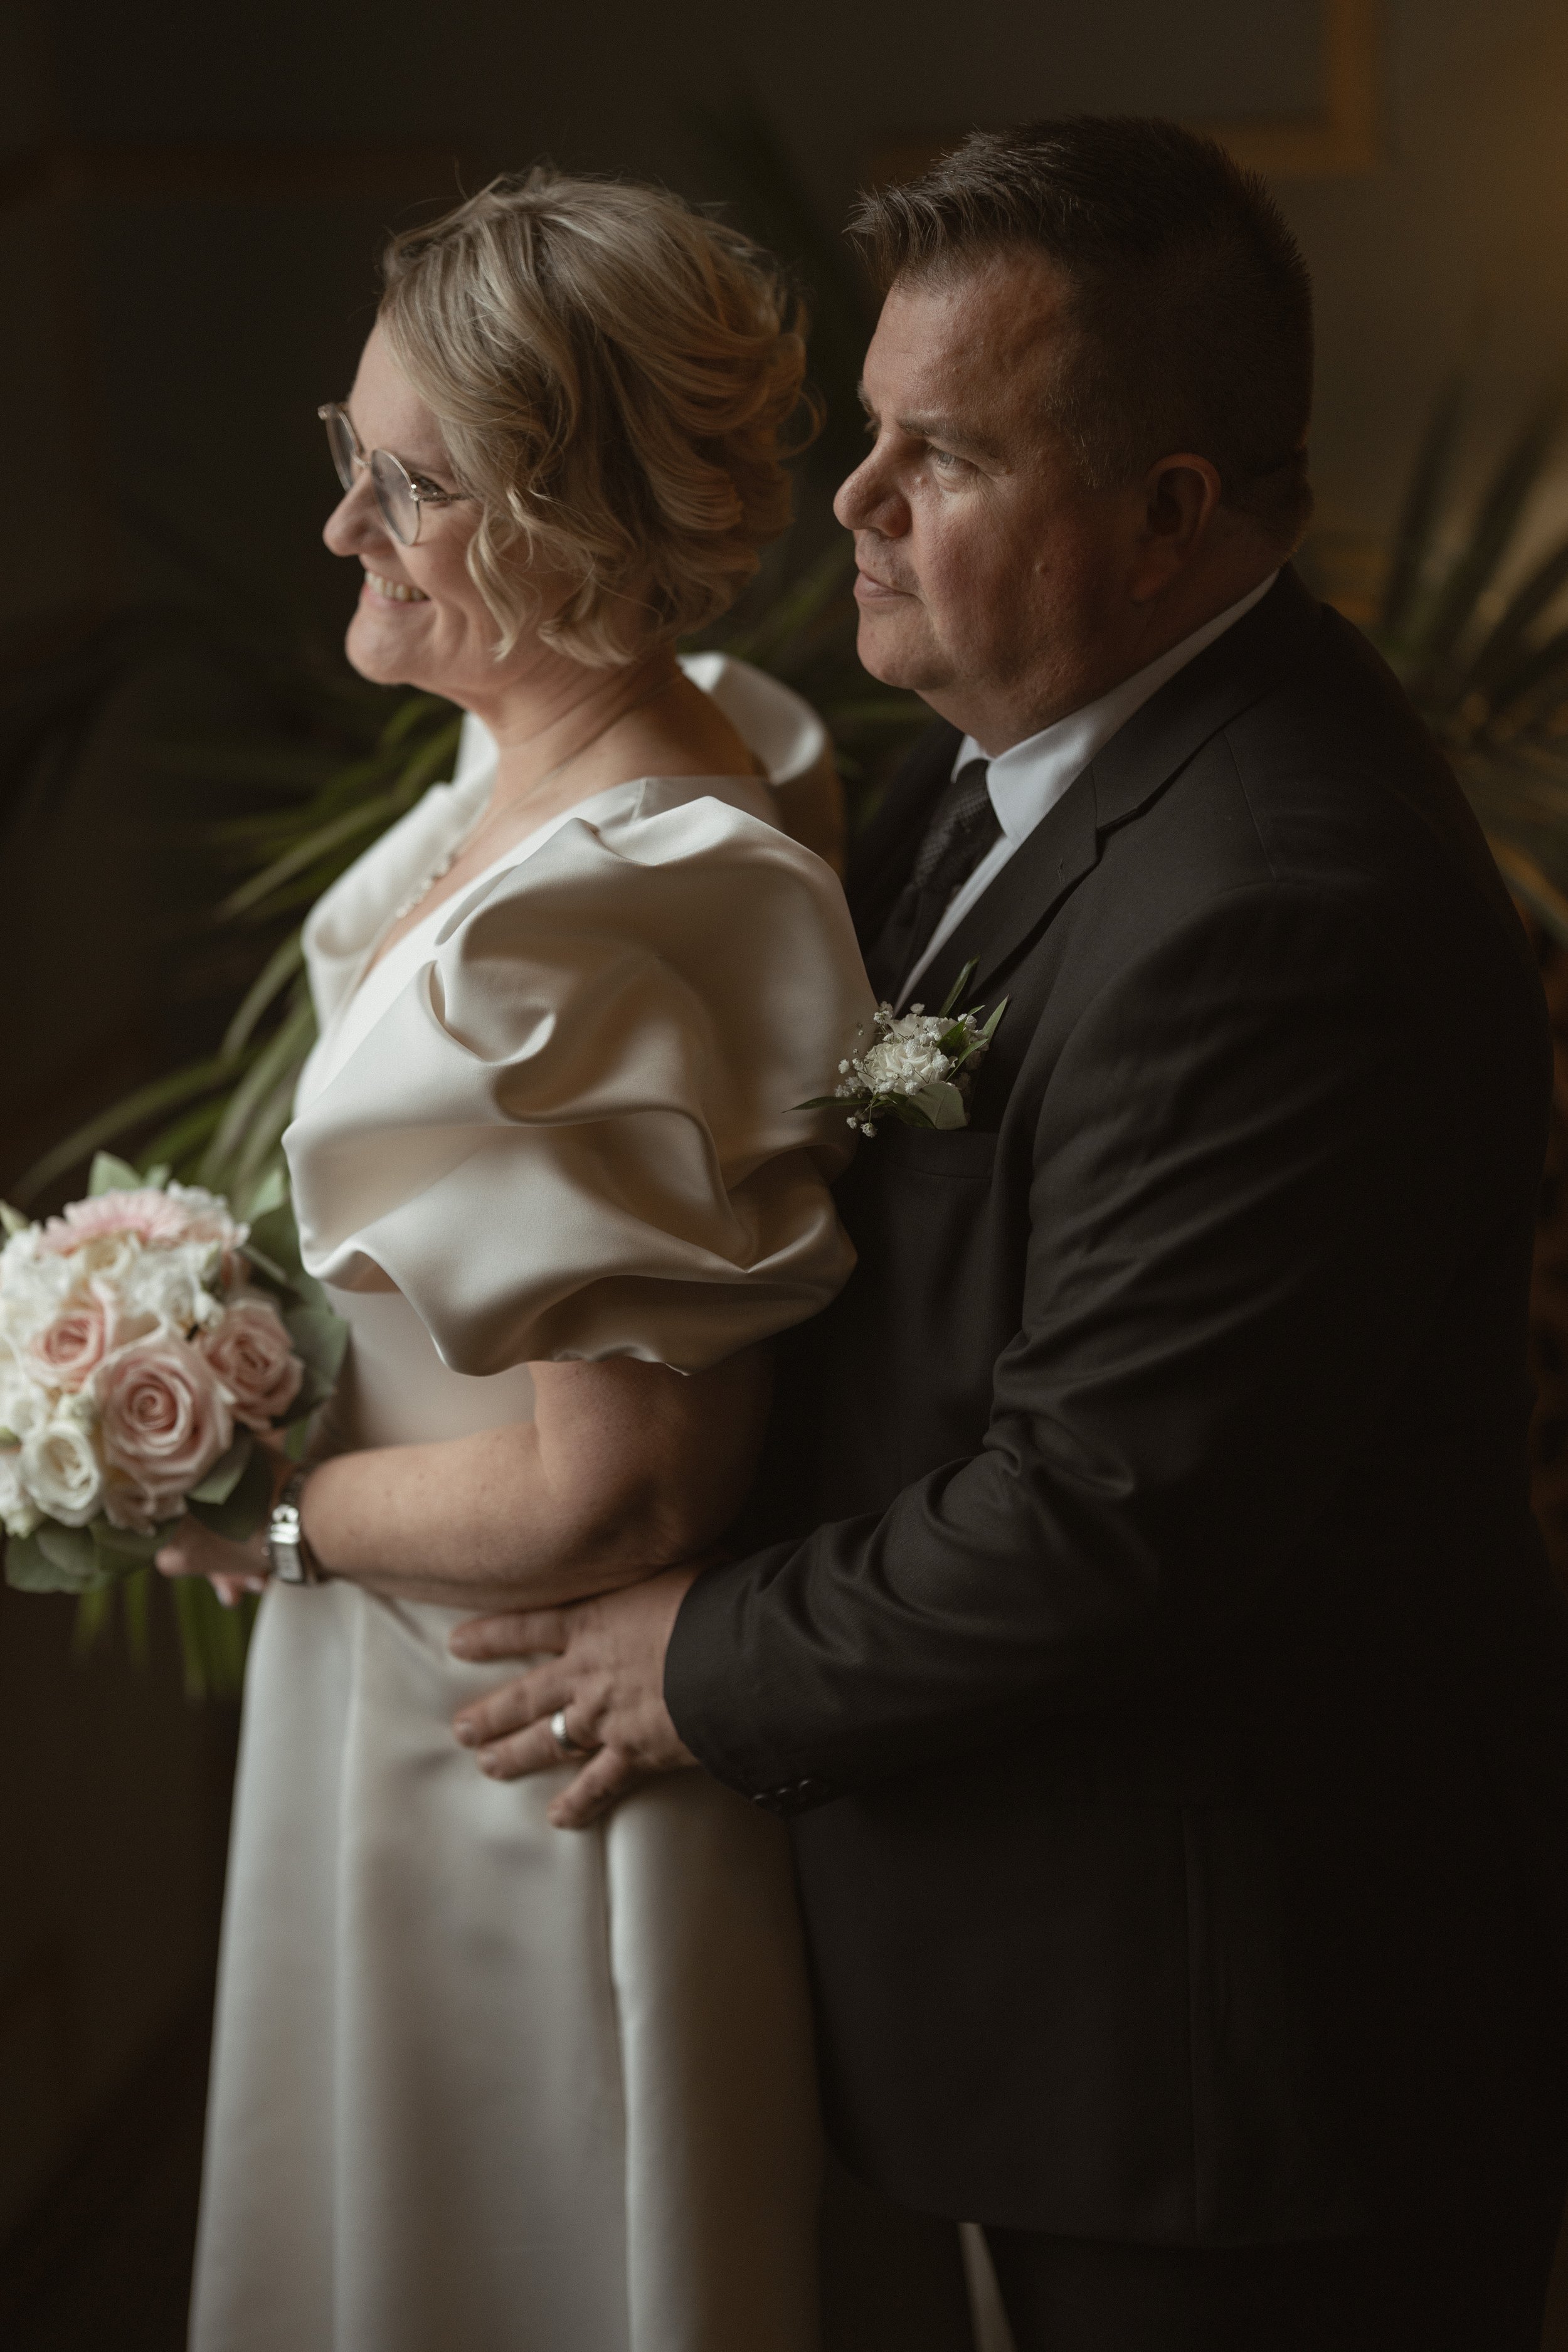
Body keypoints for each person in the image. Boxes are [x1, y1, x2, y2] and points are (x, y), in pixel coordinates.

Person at [450, 119, 1568, 2352]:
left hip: (1229, 2085)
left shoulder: (1274, 906)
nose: (850, 506)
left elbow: (1100, 1521)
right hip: (1061, 2013)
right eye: (865, 436)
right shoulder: (1016, 759)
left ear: (1167, 517)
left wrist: (679, 1661)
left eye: (935, 456)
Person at [155, 170, 963, 2352]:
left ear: (578, 533)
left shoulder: (596, 922)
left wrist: (251, 1513)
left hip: (508, 1753)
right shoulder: (655, 732)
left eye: (408, 487)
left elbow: (629, 1490)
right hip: (422, 1689)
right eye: (352, 455)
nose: (343, 528)